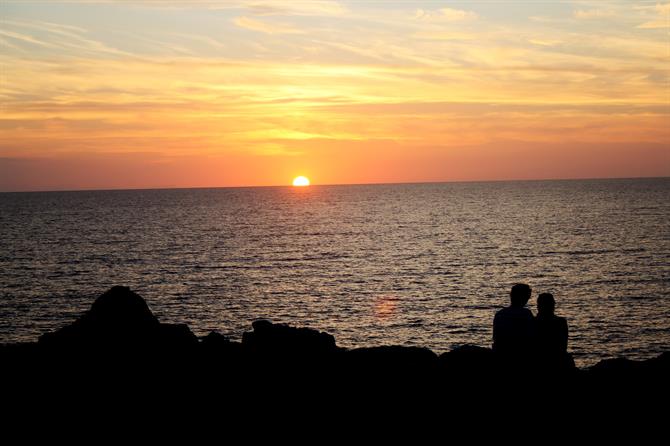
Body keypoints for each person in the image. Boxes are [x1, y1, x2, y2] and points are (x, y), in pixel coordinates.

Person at [492, 283, 535, 358]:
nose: (528, 298)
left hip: (502, 353)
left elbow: (496, 338)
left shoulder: (500, 314)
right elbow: (531, 337)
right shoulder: (526, 314)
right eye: (527, 296)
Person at [535, 292, 572, 370]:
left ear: (538, 306)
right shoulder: (561, 322)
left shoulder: (533, 322)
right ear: (552, 305)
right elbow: (563, 346)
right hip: (558, 361)